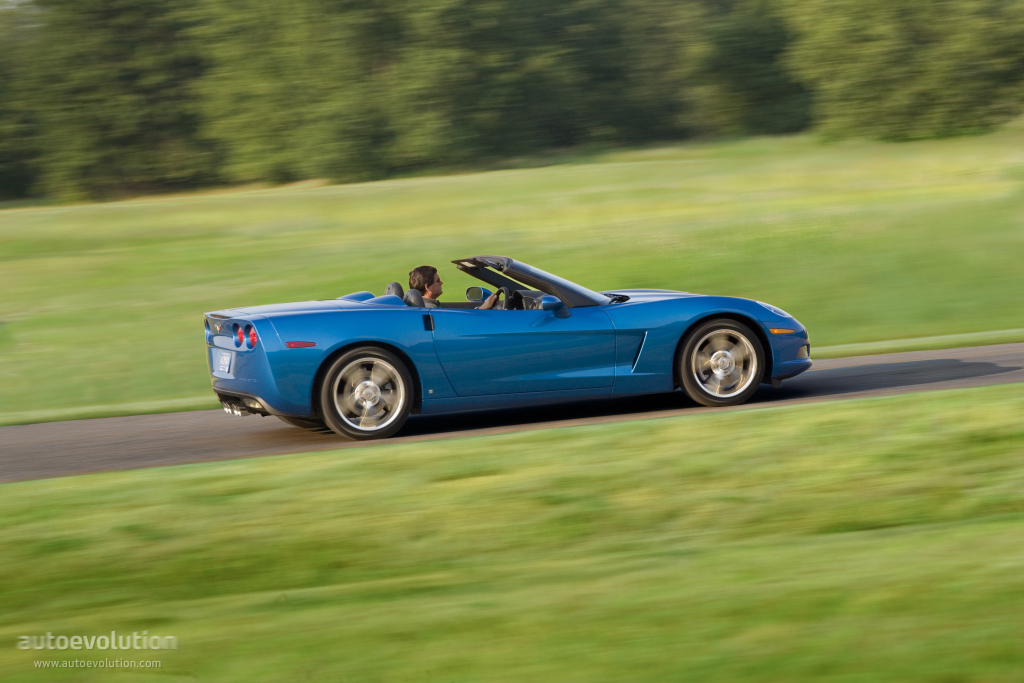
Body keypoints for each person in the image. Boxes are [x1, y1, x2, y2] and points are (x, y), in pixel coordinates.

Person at [408, 265, 500, 309]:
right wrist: (483, 308)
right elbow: (460, 327)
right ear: (428, 287)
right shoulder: (431, 310)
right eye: (438, 281)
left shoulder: (424, 306)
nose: (441, 283)